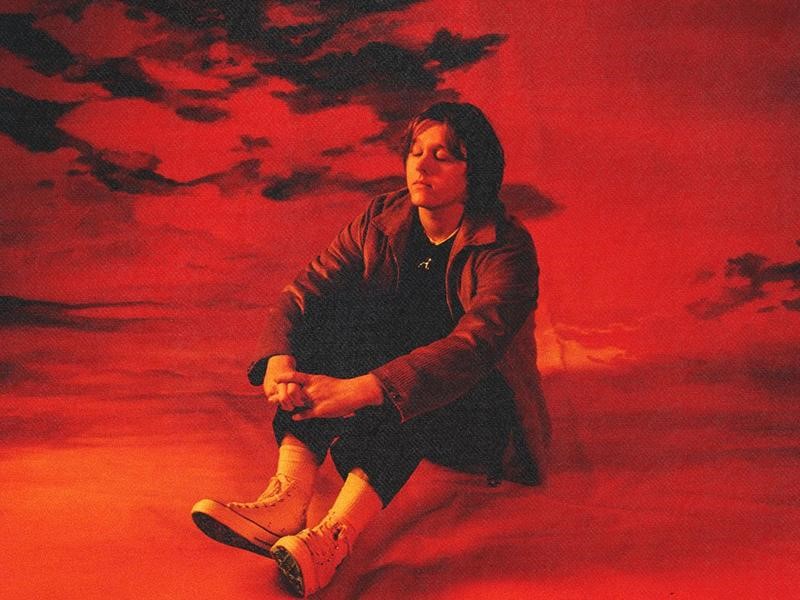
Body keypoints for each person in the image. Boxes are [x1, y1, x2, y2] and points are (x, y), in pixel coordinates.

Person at [191, 102, 550, 597]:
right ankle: (288, 499)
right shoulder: (384, 216)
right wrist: (280, 357)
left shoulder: (507, 248)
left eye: (443, 156)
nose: (421, 166)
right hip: (388, 381)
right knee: (330, 317)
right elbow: (307, 291)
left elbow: (473, 348)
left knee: (420, 374)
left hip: (476, 414)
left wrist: (364, 388)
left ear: (477, 172)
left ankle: (334, 537)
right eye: (416, 151)